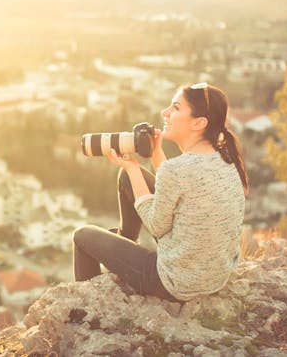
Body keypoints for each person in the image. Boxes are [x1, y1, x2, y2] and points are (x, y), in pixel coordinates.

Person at [72, 82, 249, 302]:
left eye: (175, 108)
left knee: (82, 236)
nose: (164, 113)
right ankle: (125, 247)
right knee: (129, 179)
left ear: (199, 123)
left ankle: (87, 307)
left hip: (176, 283)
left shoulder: (177, 169)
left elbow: (157, 225)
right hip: (214, 276)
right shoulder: (226, 159)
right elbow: (178, 190)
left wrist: (133, 167)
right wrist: (156, 155)